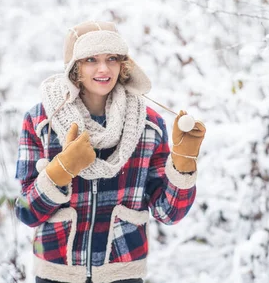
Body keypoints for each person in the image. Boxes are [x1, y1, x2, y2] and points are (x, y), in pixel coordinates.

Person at [14, 21, 206, 283]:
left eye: (112, 59)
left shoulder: (147, 125)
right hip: (57, 274)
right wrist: (61, 170)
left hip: (123, 274)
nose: (103, 69)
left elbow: (168, 213)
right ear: (74, 67)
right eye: (91, 59)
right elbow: (27, 212)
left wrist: (184, 163)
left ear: (123, 64)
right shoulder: (41, 121)